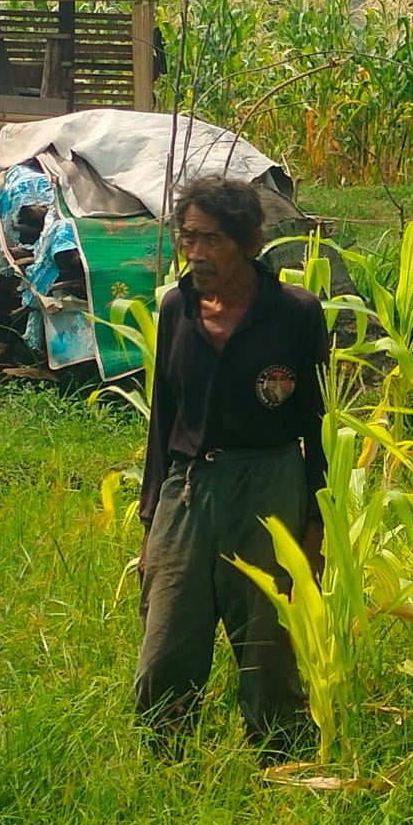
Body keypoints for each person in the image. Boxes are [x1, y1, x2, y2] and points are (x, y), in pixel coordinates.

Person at [135, 175, 328, 760]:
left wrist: (315, 527)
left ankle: (279, 763)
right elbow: (163, 420)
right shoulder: (176, 308)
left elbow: (317, 423)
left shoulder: (294, 314)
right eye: (187, 237)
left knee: (269, 644)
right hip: (189, 489)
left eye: (211, 240)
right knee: (165, 644)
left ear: (249, 243)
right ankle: (165, 764)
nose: (195, 253)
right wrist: (151, 521)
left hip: (270, 486)